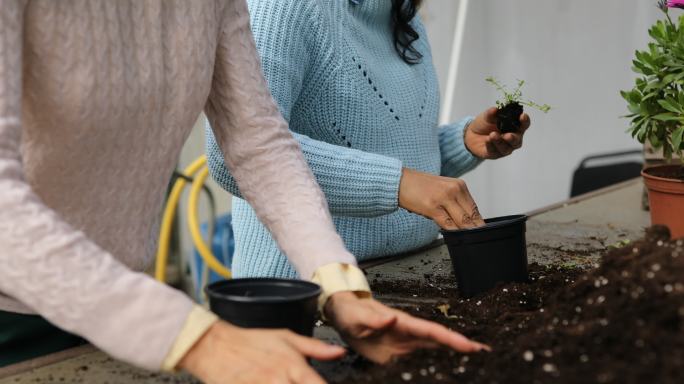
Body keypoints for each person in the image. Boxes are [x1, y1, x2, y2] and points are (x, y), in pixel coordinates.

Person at [0, 1, 487, 383]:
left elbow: (258, 143)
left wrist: (340, 287)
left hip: (119, 308)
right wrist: (196, 338)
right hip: (17, 315)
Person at [206, 0, 531, 279]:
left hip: (405, 278)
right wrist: (397, 183)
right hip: (305, 291)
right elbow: (233, 154)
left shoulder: (402, 13)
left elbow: (379, 150)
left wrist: (460, 143)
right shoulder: (282, 7)